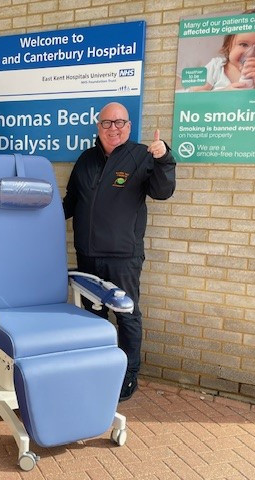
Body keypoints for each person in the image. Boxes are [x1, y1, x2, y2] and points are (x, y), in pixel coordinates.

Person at [63, 102, 176, 402]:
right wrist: (39, 218)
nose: (113, 128)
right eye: (106, 123)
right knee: (93, 315)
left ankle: (129, 373)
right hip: (87, 254)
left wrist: (164, 158)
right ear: (98, 127)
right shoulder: (86, 159)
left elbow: (163, 191)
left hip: (123, 256)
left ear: (128, 127)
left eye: (119, 123)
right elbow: (71, 202)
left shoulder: (142, 156)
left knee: (127, 315)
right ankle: (98, 366)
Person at [189, 8, 255, 91]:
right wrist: (222, 93)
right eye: (244, 44)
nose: (250, 54)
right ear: (229, 44)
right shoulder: (216, 67)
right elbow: (195, 94)